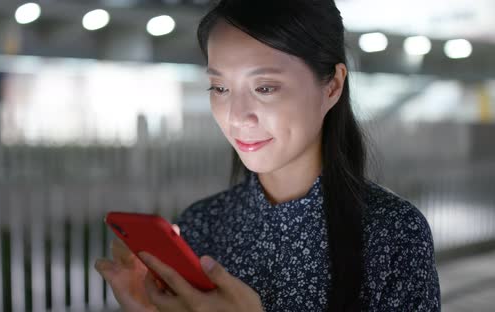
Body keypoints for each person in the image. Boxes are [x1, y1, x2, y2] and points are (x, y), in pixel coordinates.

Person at [95, 0, 441, 311]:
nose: (237, 115)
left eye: (264, 88)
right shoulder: (201, 225)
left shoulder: (393, 233)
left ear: (332, 86)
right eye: (220, 88)